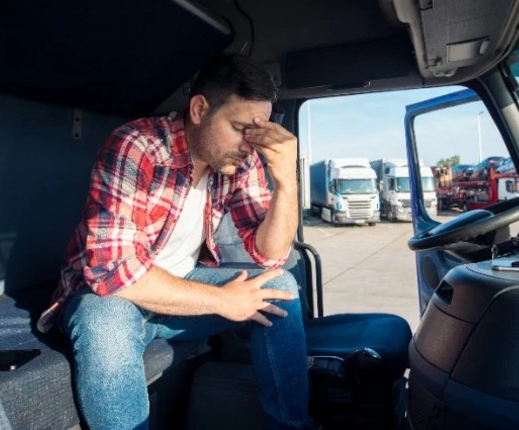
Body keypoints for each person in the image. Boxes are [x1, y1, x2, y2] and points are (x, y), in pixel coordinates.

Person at [37, 53, 315, 429]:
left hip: (181, 289)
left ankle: (293, 425)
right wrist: (222, 300)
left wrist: (286, 181)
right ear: (199, 109)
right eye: (239, 127)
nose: (249, 145)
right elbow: (112, 273)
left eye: (257, 133)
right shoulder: (137, 145)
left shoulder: (238, 160)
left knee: (279, 287)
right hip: (115, 295)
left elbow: (270, 255)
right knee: (104, 317)